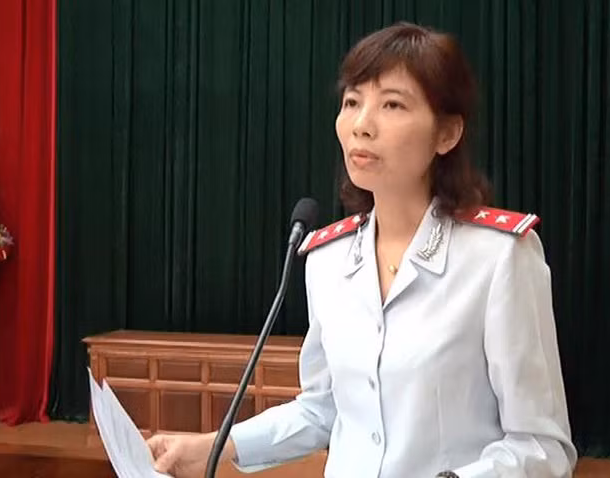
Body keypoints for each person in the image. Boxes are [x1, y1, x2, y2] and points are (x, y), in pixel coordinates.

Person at [147, 22, 577, 478]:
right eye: (352, 102)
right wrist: (217, 446)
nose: (361, 125)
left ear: (447, 133)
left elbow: (542, 446)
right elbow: (321, 410)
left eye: (392, 104)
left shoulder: (498, 258)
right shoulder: (327, 260)